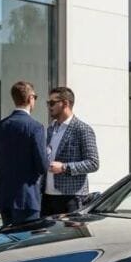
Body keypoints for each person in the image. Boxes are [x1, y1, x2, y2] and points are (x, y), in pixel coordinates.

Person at [0, 81, 48, 226]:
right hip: (27, 198)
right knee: (26, 244)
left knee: (9, 242)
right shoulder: (36, 127)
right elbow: (42, 167)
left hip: (4, 197)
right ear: (30, 98)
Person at [42, 87, 99, 216]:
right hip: (47, 197)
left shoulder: (82, 129)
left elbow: (93, 163)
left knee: (70, 236)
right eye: (48, 103)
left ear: (65, 103)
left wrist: (64, 167)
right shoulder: (50, 129)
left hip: (71, 198)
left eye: (52, 103)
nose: (49, 107)